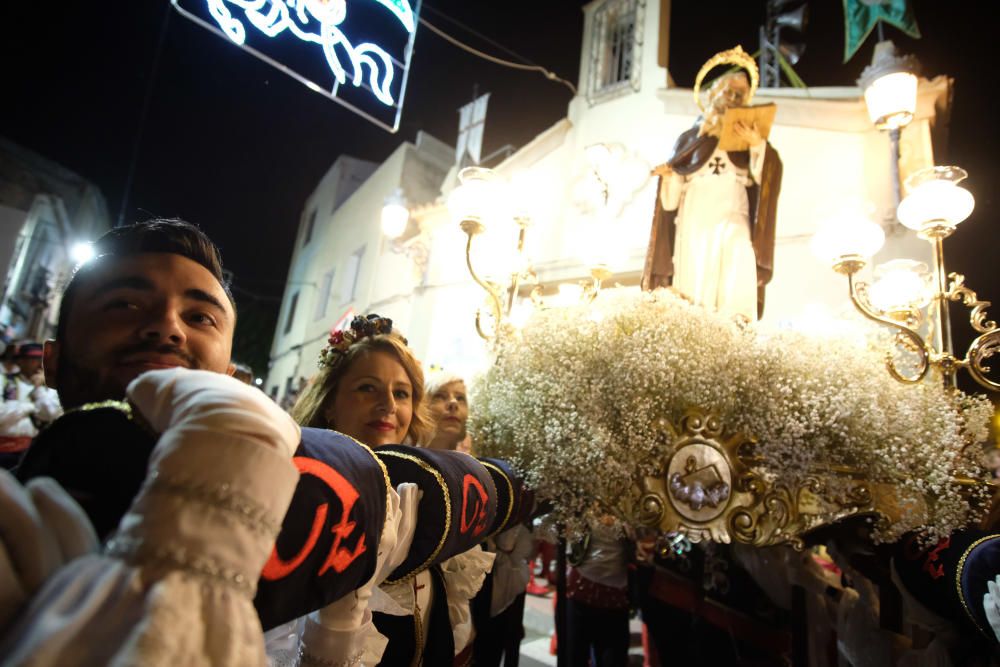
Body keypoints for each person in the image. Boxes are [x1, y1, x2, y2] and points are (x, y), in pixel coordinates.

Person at [289, 314, 493, 666]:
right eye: (367, 387)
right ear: (329, 404)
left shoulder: (425, 495)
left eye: (402, 393)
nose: (388, 405)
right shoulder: (299, 496)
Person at [641, 67, 782, 320]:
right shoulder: (689, 140)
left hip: (734, 208)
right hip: (696, 213)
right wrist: (670, 177)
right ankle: (697, 326)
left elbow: (766, 179)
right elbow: (671, 201)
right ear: (712, 95)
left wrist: (756, 145)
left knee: (738, 254)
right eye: (727, 90)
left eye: (740, 94)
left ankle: (737, 323)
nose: (733, 97)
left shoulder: (750, 138)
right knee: (697, 270)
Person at [1, 342, 62, 468]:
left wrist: (38, 388)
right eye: (34, 360)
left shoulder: (47, 389)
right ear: (21, 362)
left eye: (43, 360)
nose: (40, 364)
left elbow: (50, 414)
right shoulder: (4, 381)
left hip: (28, 452)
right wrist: (30, 407)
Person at [425, 371, 469, 451]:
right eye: (440, 396)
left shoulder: (473, 463)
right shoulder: (405, 459)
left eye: (460, 398)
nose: (454, 403)